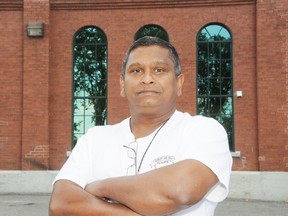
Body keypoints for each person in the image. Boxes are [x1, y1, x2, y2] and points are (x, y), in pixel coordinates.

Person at [49, 36, 232, 216]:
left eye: (159, 70)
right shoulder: (94, 139)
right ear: (122, 84)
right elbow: (60, 205)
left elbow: (179, 191)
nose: (147, 79)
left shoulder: (203, 131)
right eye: (136, 71)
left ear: (179, 83)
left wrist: (99, 187)